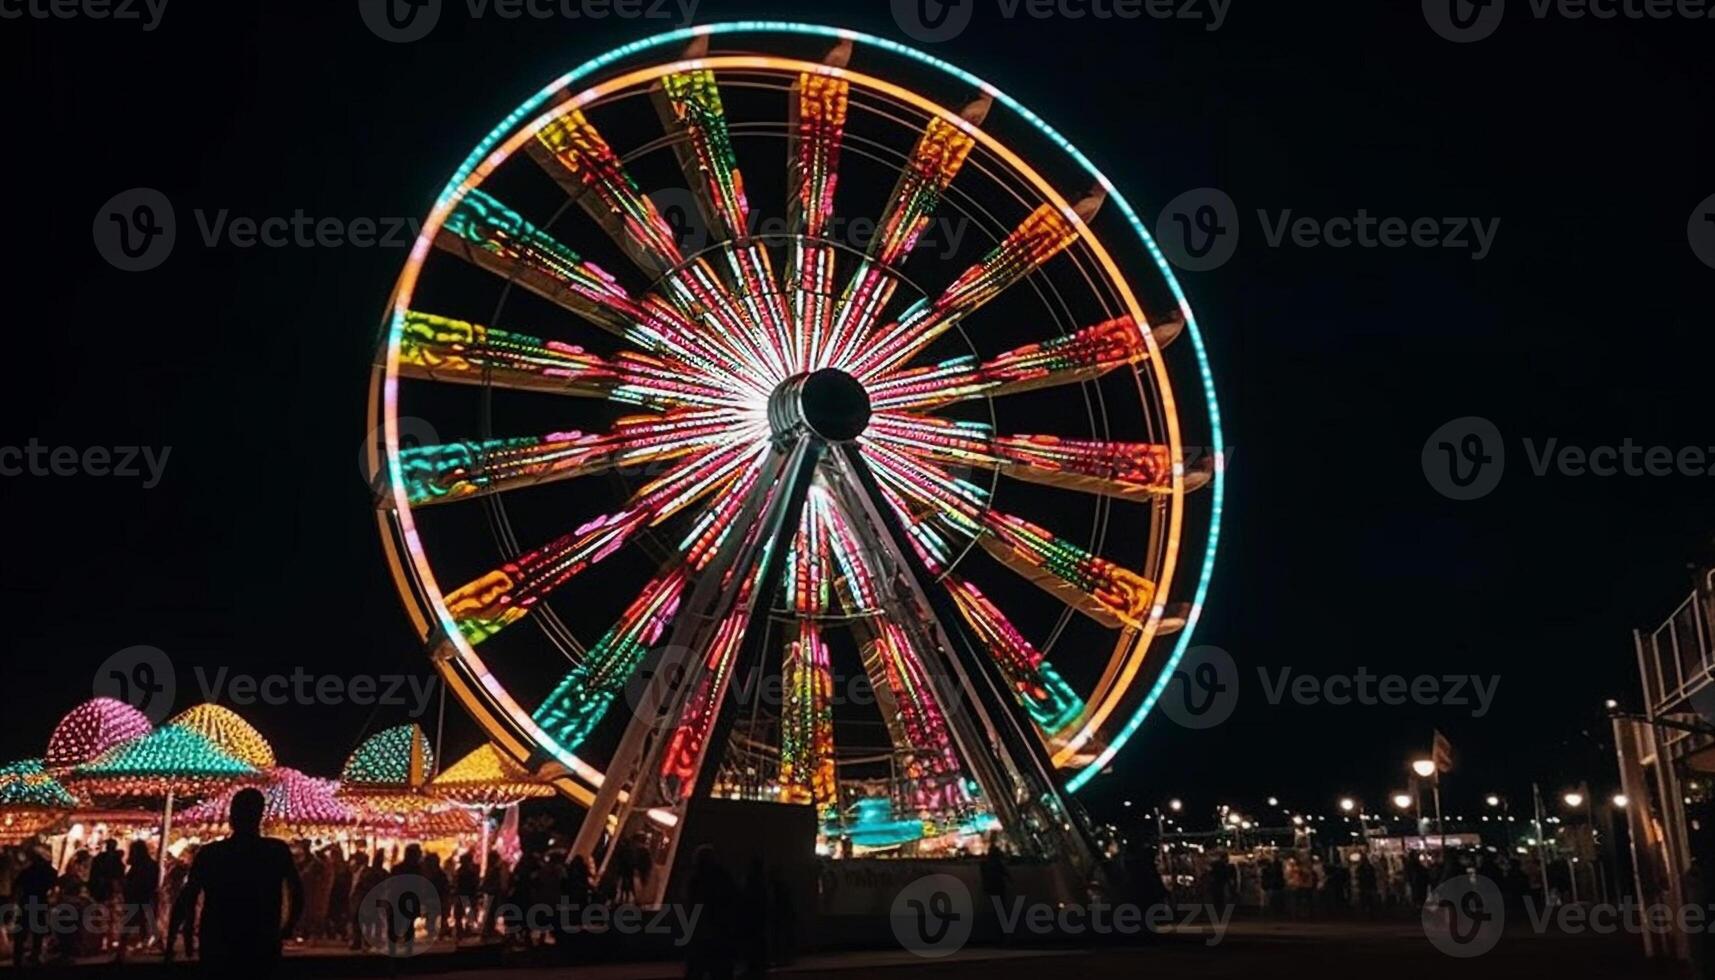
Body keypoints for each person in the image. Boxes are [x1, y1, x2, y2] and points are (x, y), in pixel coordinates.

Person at [168, 788, 304, 976]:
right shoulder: (276, 851)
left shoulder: (211, 854)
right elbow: (297, 891)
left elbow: (187, 896)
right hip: (261, 939)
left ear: (232, 816)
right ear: (260, 816)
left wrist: (175, 938)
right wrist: (288, 926)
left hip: (219, 940)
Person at [684, 846, 737, 980]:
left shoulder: (695, 880)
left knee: (696, 969)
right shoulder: (723, 878)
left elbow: (690, 904)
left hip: (702, 932)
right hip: (720, 933)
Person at [10, 848, 56, 968]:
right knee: (37, 932)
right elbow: (53, 883)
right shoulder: (47, 871)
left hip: (27, 902)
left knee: (22, 931)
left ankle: (18, 958)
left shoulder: (27, 871)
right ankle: (34, 956)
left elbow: (16, 886)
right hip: (40, 902)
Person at [119, 839, 159, 958]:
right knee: (144, 923)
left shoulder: (138, 866)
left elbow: (131, 882)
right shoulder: (150, 864)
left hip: (136, 897)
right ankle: (143, 946)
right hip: (144, 897)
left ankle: (124, 951)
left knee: (132, 924)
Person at [453, 850, 480, 941]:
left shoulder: (463, 871)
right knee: (463, 914)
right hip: (466, 895)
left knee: (463, 915)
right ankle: (463, 931)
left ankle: (464, 931)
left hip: (465, 895)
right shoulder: (469, 871)